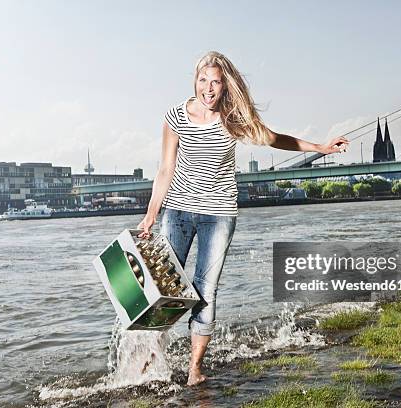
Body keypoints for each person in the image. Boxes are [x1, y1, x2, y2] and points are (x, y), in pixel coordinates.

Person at [137, 51, 349, 386]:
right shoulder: (175, 117)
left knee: (205, 290)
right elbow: (165, 169)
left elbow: (276, 138)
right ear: (195, 81)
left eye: (216, 82)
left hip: (218, 215)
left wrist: (320, 148)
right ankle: (151, 358)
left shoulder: (234, 118)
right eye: (204, 80)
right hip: (176, 210)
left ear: (224, 86)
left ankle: (194, 369)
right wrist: (150, 215)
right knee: (165, 287)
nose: (209, 88)